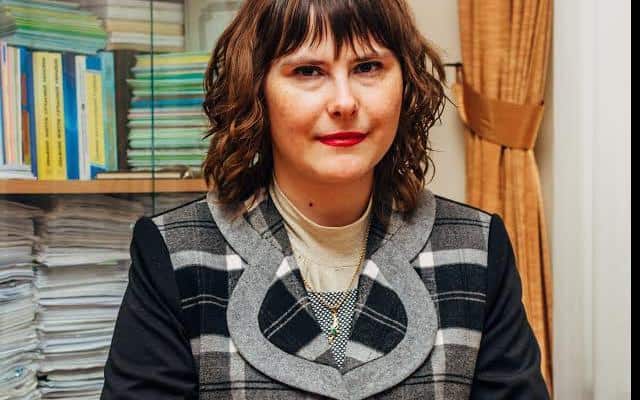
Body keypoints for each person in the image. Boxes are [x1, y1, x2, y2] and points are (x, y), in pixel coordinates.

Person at [101, 0, 549, 399]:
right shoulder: (177, 253)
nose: (344, 102)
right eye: (308, 71)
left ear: (406, 83)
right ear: (257, 90)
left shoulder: (475, 247)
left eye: (368, 67)